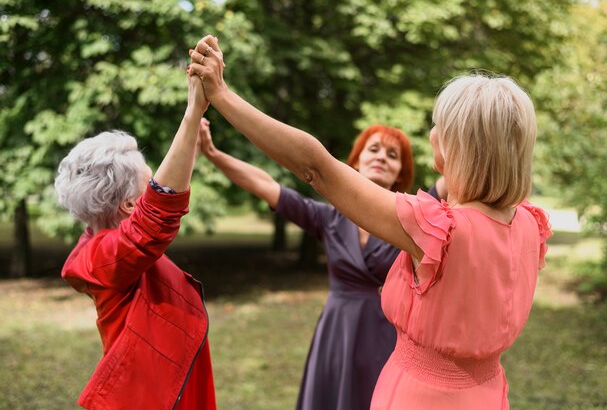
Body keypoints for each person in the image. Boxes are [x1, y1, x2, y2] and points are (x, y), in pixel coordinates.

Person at [190, 35, 552, 409]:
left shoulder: (434, 225)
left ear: (452, 148)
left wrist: (220, 94)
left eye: (439, 129)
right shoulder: (529, 223)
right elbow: (276, 186)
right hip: (485, 396)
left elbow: (315, 166)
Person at [199, 118, 414, 410]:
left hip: (387, 337)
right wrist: (213, 153)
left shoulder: (410, 222)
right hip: (336, 335)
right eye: (373, 149)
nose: (381, 157)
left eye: (392, 155)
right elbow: (266, 186)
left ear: (400, 173)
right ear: (356, 160)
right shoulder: (329, 218)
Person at [55, 44, 216, 409]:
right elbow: (157, 216)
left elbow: (159, 203)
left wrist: (189, 142)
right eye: (149, 182)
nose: (157, 183)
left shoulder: (106, 241)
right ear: (129, 205)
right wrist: (192, 113)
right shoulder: (101, 256)